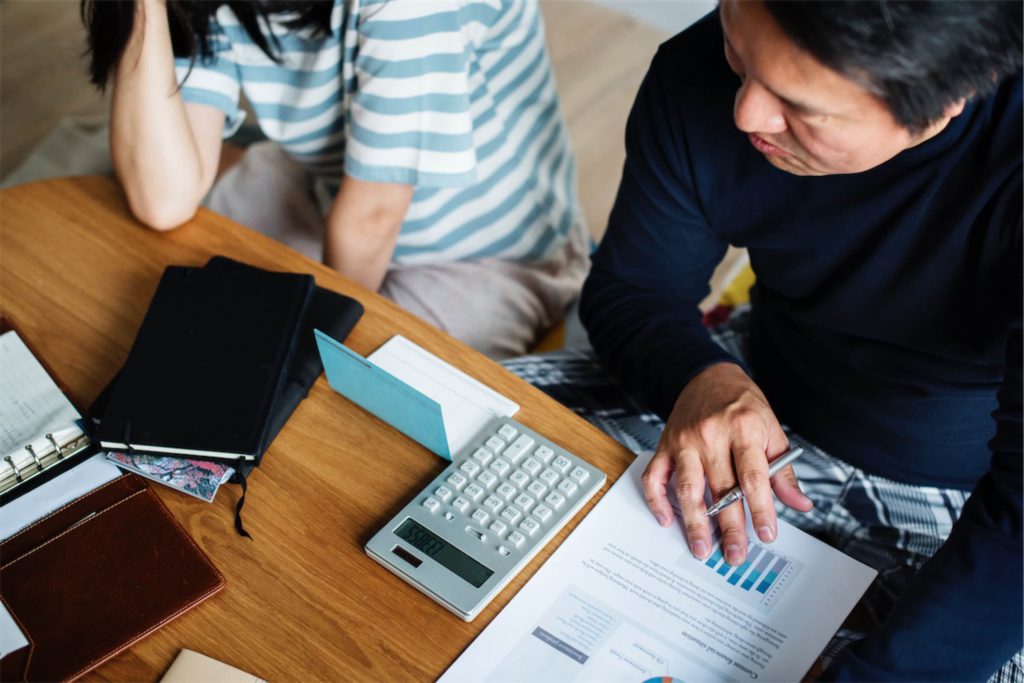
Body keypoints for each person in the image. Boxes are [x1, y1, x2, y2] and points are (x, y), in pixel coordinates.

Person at [528, 1, 1020, 680]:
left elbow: (1016, 524)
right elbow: (633, 290)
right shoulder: (706, 70)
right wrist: (701, 377)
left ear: (953, 96)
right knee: (468, 439)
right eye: (738, 50)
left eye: (799, 105)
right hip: (750, 380)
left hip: (971, 496)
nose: (746, 114)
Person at [81, 0, 588, 358]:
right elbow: (164, 200)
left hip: (489, 252)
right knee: (157, 275)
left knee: (345, 399)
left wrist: (311, 351)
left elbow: (372, 217)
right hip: (332, 192)